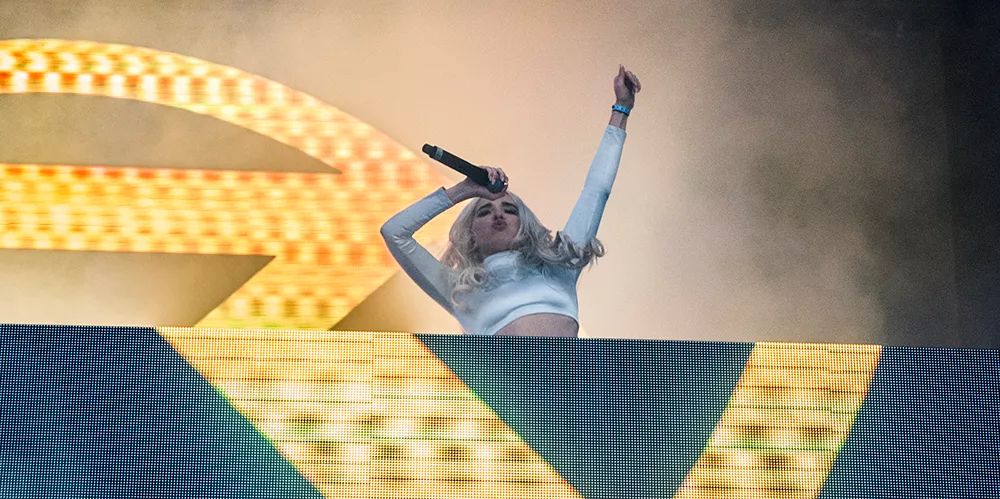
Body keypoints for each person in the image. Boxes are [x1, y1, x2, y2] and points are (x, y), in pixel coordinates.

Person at [381, 65, 641, 337]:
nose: (499, 215)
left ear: (524, 225)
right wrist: (463, 191)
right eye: (484, 211)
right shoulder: (460, 292)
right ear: (470, 233)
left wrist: (621, 108)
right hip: (506, 367)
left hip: (568, 367)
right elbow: (394, 233)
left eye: (509, 209)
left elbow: (596, 191)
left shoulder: (559, 268)